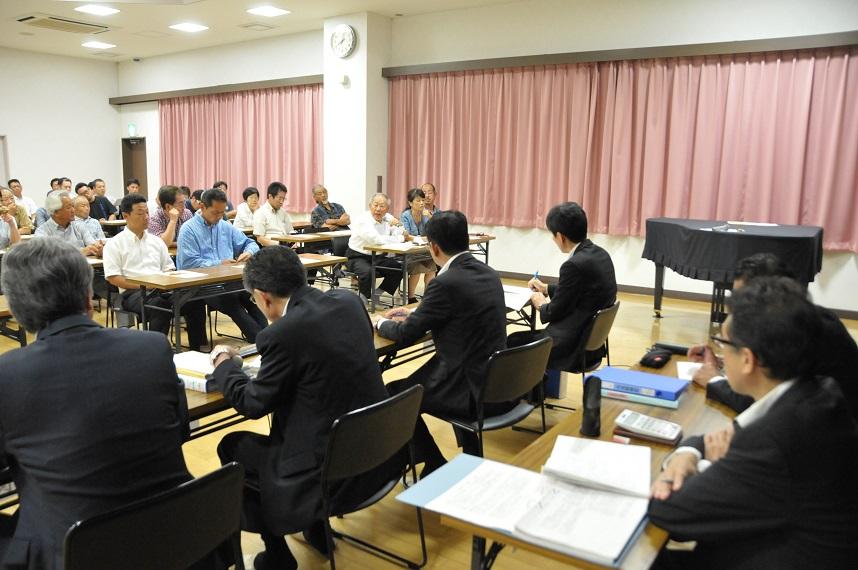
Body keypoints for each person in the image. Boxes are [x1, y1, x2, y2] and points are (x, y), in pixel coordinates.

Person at [0, 238, 192, 569]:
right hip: (178, 535)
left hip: (79, 551)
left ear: (16, 310)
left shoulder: (8, 375)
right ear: (88, 294)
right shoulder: (152, 347)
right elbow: (181, 430)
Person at [648, 277, 858, 569]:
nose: (720, 353)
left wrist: (679, 472)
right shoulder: (818, 392)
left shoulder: (777, 438)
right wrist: (687, 454)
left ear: (747, 359)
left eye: (723, 343)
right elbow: (710, 440)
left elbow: (670, 512)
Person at [211, 246, 399, 570]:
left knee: (234, 446)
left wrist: (224, 364)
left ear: (263, 297)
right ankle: (316, 530)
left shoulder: (282, 333)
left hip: (328, 469)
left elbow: (252, 403)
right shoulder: (349, 301)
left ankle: (279, 555)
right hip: (375, 450)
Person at [374, 211, 509, 474]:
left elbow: (406, 335)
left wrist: (380, 323)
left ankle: (433, 464)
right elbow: (458, 309)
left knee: (395, 394)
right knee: (408, 386)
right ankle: (468, 453)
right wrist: (417, 312)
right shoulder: (489, 273)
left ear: (433, 247)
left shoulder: (445, 283)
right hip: (494, 379)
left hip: (466, 386)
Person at [688, 253, 858, 416]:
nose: (737, 308)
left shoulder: (797, 332)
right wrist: (731, 358)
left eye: (744, 298)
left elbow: (765, 403)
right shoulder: (799, 316)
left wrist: (714, 380)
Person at [104, 193, 208, 351]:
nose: (146, 217)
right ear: (126, 215)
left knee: (194, 299)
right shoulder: (114, 244)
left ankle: (197, 348)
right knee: (159, 306)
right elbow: (113, 278)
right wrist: (145, 286)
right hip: (132, 292)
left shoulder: (156, 241)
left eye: (147, 212)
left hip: (161, 288)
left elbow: (169, 269)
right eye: (140, 213)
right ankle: (155, 351)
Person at [525, 202, 617, 371]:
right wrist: (546, 288)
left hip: (572, 346)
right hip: (593, 344)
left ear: (561, 236)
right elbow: (577, 294)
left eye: (553, 236)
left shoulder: (573, 265)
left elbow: (554, 311)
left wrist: (539, 302)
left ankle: (529, 396)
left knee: (513, 343)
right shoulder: (600, 254)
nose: (554, 240)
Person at [177, 188, 267, 342]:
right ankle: (260, 341)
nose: (219, 216)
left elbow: (250, 242)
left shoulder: (224, 225)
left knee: (254, 295)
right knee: (231, 302)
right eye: (215, 212)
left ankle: (268, 337)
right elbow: (188, 263)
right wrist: (219, 263)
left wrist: (249, 252)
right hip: (203, 285)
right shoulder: (188, 229)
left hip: (228, 279)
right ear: (202, 207)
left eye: (222, 212)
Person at [346, 193, 411, 301]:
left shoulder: (388, 217)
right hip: (357, 256)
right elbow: (377, 240)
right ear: (370, 206)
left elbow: (402, 231)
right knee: (367, 272)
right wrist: (400, 239)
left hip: (377, 257)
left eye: (382, 206)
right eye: (375, 205)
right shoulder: (363, 220)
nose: (378, 209)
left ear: (387, 208)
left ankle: (377, 294)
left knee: (399, 268)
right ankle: (363, 300)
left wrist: (399, 225)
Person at [34, 191, 102, 257]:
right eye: (68, 207)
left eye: (73, 206)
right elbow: (48, 256)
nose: (73, 210)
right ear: (56, 212)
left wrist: (98, 249)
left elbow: (92, 244)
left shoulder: (78, 225)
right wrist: (80, 252)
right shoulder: (42, 232)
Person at [400, 188, 436, 303]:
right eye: (418, 201)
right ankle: (411, 297)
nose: (422, 203)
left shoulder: (426, 215)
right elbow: (406, 236)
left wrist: (431, 218)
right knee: (417, 268)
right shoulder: (405, 215)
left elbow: (434, 232)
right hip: (408, 251)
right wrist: (422, 238)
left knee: (432, 268)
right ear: (410, 203)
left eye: (423, 200)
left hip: (423, 250)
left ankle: (427, 295)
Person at [252, 182, 293, 247]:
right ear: (270, 196)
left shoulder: (283, 212)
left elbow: (290, 232)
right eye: (280, 198)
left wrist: (294, 242)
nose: (282, 202)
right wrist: (279, 245)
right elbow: (260, 239)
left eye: (283, 199)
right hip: (271, 250)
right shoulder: (260, 213)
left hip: (286, 247)